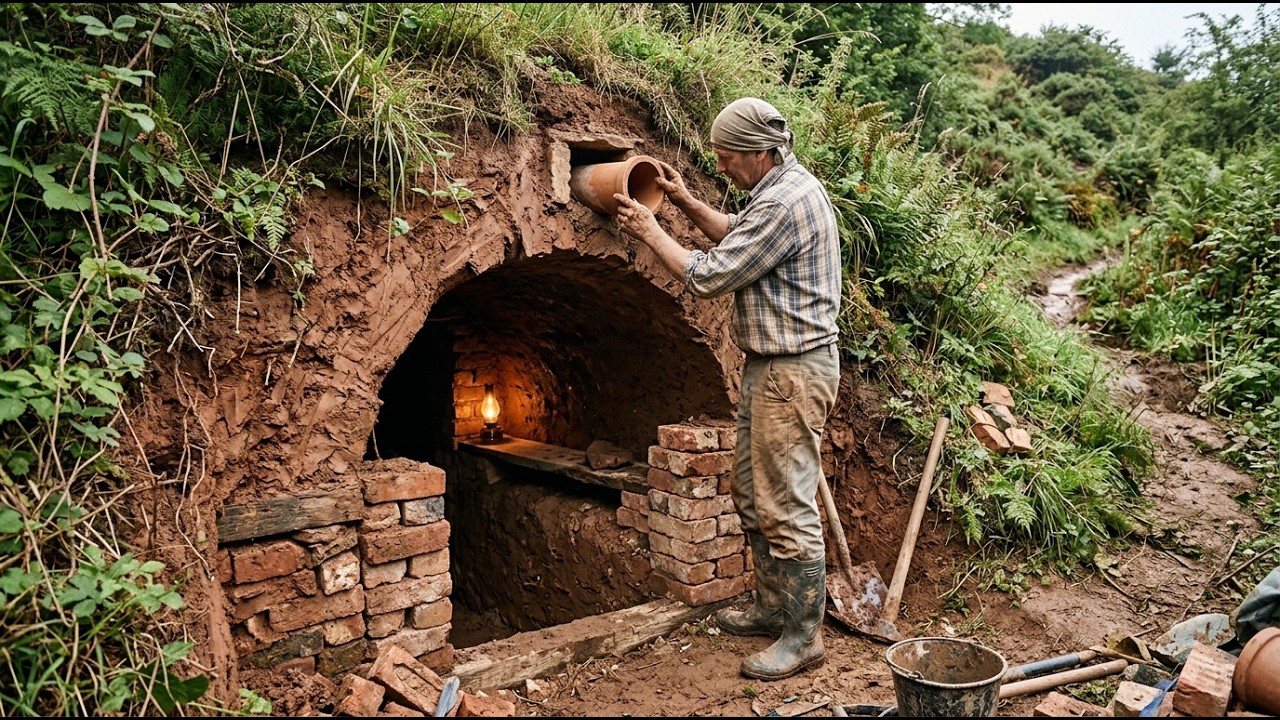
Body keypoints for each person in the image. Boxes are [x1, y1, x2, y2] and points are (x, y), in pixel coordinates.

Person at [613, 97, 842, 681]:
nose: (721, 168)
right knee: (750, 491)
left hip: (794, 371)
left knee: (786, 505)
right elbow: (740, 234)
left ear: (759, 151)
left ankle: (802, 637)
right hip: (771, 368)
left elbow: (709, 275)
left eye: (726, 158)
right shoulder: (777, 191)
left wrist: (650, 229)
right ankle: (772, 607)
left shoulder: (788, 203)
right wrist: (688, 203)